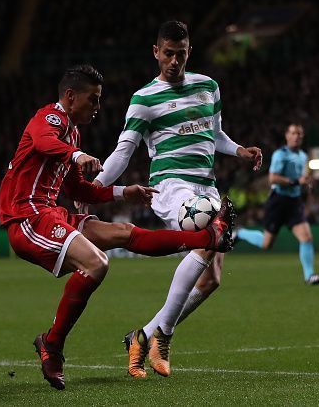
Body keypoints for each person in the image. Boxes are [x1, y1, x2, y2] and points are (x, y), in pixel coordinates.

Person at [0, 64, 235, 390]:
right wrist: (78, 155)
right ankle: (51, 344)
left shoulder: (73, 133)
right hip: (26, 217)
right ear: (70, 96)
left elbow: (78, 191)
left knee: (125, 234)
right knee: (96, 263)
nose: (97, 107)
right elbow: (42, 141)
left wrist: (124, 192)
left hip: (52, 212)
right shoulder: (51, 119)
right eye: (92, 99)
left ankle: (207, 237)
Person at [91, 21, 262, 378]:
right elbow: (124, 153)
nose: (173, 61)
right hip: (172, 187)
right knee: (207, 234)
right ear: (156, 52)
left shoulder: (208, 87)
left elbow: (214, 135)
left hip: (206, 186)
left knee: (211, 279)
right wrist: (94, 189)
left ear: (189, 52)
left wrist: (239, 151)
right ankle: (163, 335)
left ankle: (142, 335)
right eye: (167, 53)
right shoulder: (144, 99)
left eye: (180, 54)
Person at [236, 123, 319, 285]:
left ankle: (309, 276)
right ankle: (241, 233)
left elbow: (301, 179)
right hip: (278, 201)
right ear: (287, 136)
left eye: (299, 134)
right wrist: (296, 181)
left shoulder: (303, 156)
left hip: (294, 202)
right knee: (267, 244)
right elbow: (273, 178)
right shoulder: (280, 155)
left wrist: (306, 182)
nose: (296, 136)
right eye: (293, 133)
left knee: (306, 238)